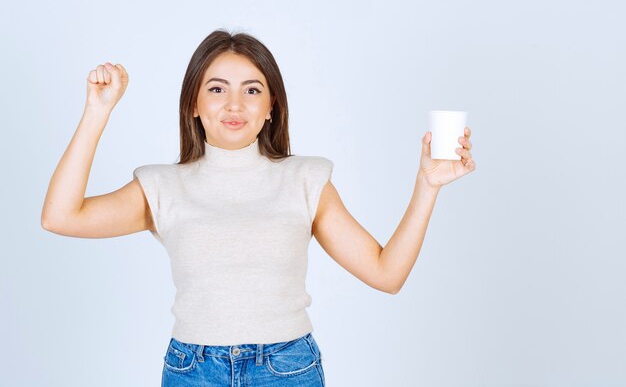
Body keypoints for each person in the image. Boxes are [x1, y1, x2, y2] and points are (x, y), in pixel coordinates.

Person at [41, 29, 475, 386]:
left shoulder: (306, 179)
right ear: (194, 103)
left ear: (271, 107)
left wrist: (427, 185)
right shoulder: (160, 186)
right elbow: (60, 216)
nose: (234, 105)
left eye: (252, 90)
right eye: (216, 89)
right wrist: (97, 112)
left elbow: (387, 273)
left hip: (287, 369)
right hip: (193, 372)